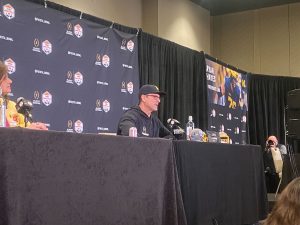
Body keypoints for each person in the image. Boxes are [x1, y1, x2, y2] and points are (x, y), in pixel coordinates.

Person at [0, 60, 47, 130]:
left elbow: (28, 126)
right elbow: (4, 132)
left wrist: (37, 127)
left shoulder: (13, 105)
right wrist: (27, 130)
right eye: (5, 78)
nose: (10, 81)